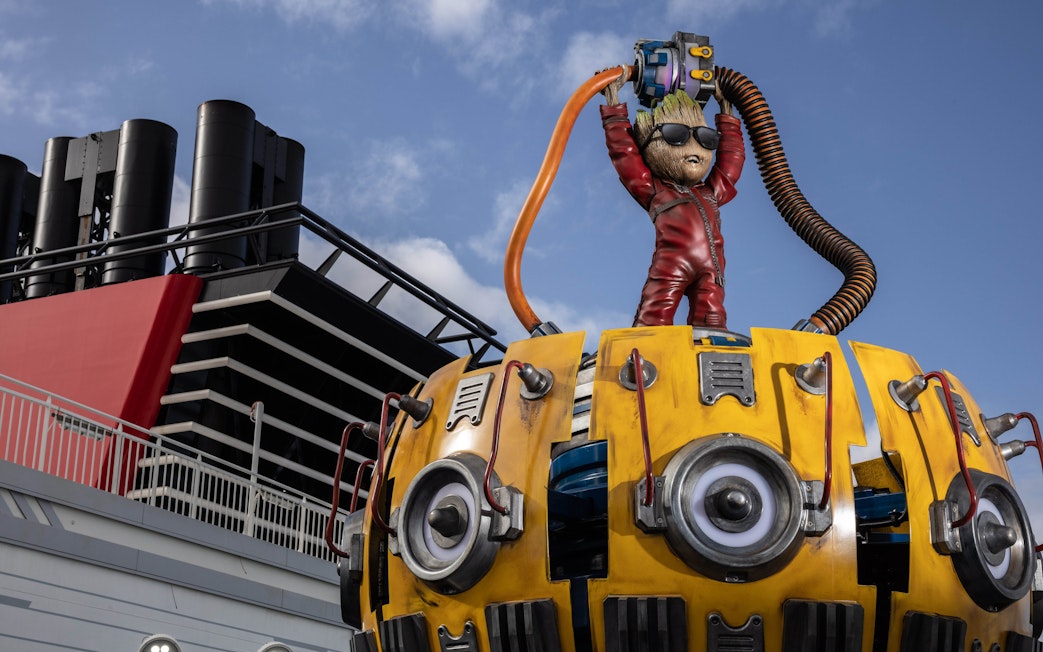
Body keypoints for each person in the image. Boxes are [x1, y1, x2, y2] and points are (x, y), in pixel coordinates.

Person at [600, 71, 745, 329]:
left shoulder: (710, 192)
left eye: (706, 138)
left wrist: (727, 112)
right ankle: (646, 345)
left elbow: (731, 161)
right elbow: (624, 153)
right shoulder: (654, 189)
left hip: (712, 272)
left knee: (712, 321)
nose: (694, 146)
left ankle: (712, 343)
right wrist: (613, 106)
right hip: (671, 267)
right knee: (654, 318)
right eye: (675, 134)